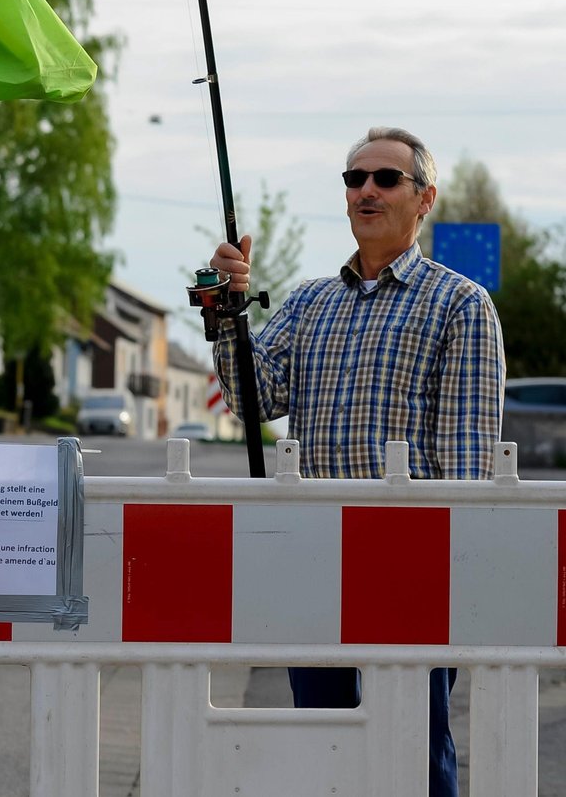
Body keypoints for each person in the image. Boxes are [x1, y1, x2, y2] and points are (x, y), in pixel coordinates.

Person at [210, 126, 505, 797]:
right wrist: (231, 308)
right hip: (312, 559)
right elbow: (255, 397)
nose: (365, 190)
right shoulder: (310, 301)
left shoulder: (460, 304)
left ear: (424, 197)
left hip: (409, 568)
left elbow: (465, 464)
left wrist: (451, 578)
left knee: (413, 753)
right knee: (323, 749)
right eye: (354, 179)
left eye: (384, 179)